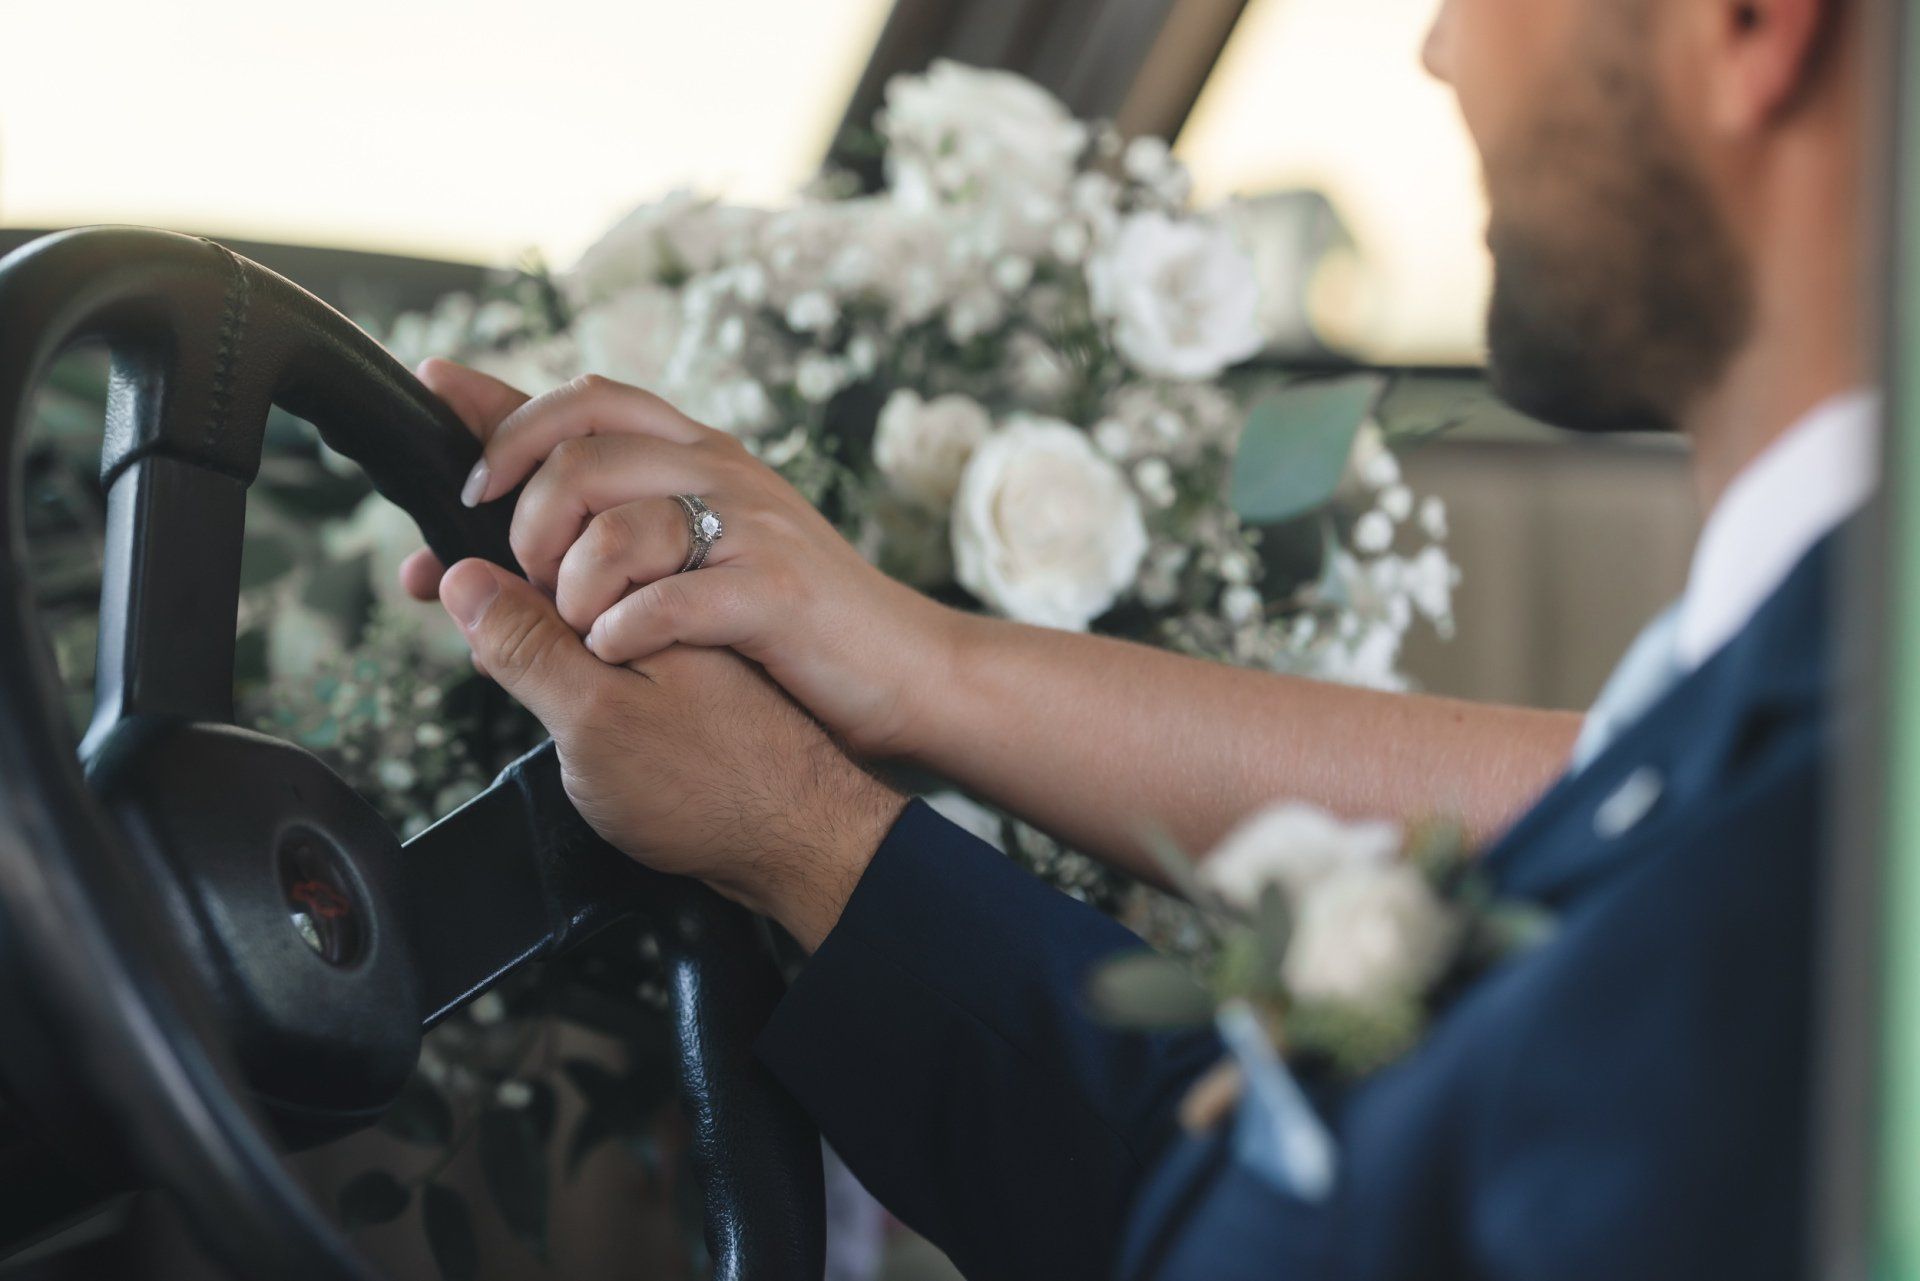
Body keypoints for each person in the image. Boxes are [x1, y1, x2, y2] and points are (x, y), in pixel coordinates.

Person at [400, 0, 1875, 1274]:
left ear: (1750, 21)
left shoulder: (1803, 864)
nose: (1438, 49)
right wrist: (907, 665)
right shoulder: (1812, 678)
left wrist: (800, 827)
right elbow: (1592, 793)